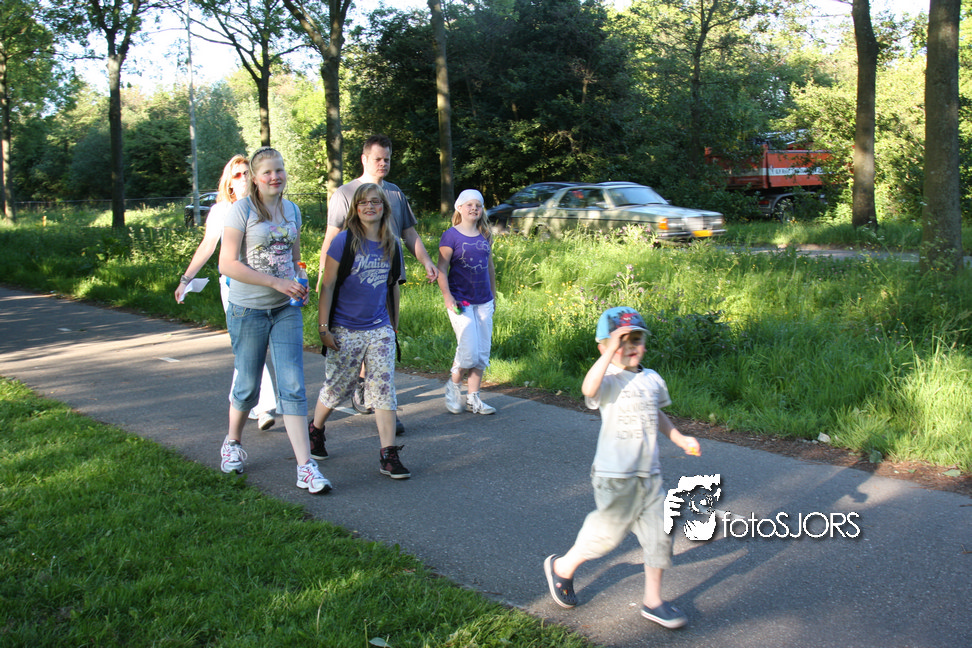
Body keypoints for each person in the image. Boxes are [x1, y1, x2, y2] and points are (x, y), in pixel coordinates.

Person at [542, 306, 701, 629]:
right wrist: (609, 352)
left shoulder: (652, 379)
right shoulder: (608, 379)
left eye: (636, 340)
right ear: (604, 346)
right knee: (607, 537)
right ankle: (563, 567)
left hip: (649, 476)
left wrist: (679, 437)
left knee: (660, 536)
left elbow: (656, 413)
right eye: (620, 341)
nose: (629, 347)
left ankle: (653, 601)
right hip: (614, 477)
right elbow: (588, 389)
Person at [216, 146, 331, 495]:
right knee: (248, 385)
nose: (274, 177)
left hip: (285, 310)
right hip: (247, 309)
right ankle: (232, 442)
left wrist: (300, 283)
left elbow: (295, 260)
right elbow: (227, 264)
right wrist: (275, 282)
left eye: (279, 170)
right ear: (255, 177)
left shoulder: (292, 209)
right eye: (267, 172)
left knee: (293, 386)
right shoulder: (241, 210)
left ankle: (305, 467)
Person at [317, 134, 438, 432]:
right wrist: (323, 275)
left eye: (387, 159)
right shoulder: (346, 193)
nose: (383, 164)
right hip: (353, 278)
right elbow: (332, 235)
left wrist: (426, 261)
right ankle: (359, 387)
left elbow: (408, 233)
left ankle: (383, 403)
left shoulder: (394, 194)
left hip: (386, 277)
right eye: (377, 159)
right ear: (364, 159)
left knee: (383, 336)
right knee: (357, 340)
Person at [308, 183, 410, 480]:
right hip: (345, 328)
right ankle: (315, 429)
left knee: (383, 388)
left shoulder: (391, 243)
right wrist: (323, 328)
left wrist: (393, 325)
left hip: (379, 328)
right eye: (363, 202)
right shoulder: (343, 241)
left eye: (375, 202)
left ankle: (388, 455)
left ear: (384, 208)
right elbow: (327, 286)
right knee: (338, 388)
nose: (370, 207)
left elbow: (392, 286)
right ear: (355, 208)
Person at [175, 154, 278, 431]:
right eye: (237, 175)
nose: (243, 179)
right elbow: (208, 246)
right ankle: (263, 406)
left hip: (263, 283)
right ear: (228, 182)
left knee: (249, 347)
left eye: (246, 173)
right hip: (233, 286)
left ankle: (241, 400)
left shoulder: (263, 206)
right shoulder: (221, 210)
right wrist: (186, 279)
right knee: (248, 345)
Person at [436, 189, 497, 415]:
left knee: (481, 352)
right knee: (469, 349)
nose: (474, 208)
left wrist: (493, 296)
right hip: (460, 302)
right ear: (459, 208)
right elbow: (441, 269)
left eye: (478, 205)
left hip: (484, 301)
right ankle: (453, 387)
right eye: (469, 205)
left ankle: (474, 399)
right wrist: (447, 297)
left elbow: (490, 267)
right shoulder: (450, 236)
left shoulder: (485, 235)